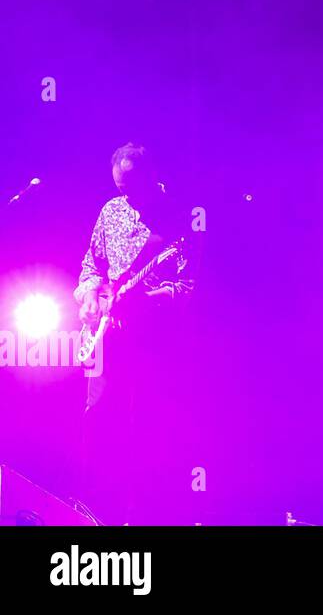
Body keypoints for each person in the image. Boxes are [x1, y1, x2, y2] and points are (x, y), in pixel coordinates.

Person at [75, 142, 195, 524]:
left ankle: (146, 515)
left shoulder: (177, 216)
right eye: (119, 187)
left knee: (146, 424)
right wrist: (91, 295)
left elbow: (188, 287)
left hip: (155, 341)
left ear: (151, 177)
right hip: (109, 336)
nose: (125, 195)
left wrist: (149, 299)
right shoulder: (111, 211)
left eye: (131, 187)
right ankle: (95, 510)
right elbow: (91, 266)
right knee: (98, 419)